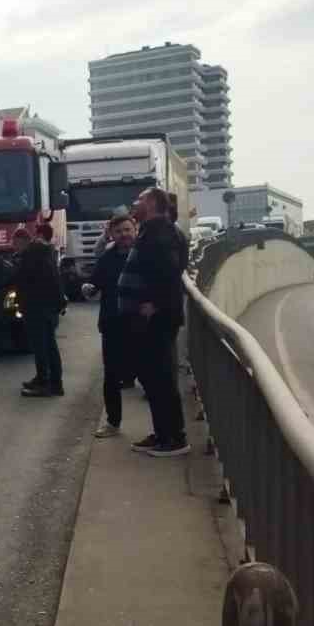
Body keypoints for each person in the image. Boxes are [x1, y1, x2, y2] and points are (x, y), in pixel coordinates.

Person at [117, 188, 189, 456]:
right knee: (152, 376)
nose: (135, 203)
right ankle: (162, 432)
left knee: (161, 378)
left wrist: (155, 303)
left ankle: (173, 438)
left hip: (156, 319)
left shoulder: (162, 233)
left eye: (141, 200)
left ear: (154, 205)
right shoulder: (152, 230)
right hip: (150, 317)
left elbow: (170, 273)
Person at [83, 214, 137, 436]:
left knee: (151, 377)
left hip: (140, 325)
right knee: (111, 376)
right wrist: (88, 288)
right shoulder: (107, 258)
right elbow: (95, 283)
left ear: (135, 230)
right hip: (112, 324)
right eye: (119, 231)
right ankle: (113, 423)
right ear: (111, 234)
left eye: (127, 230)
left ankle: (162, 431)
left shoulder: (144, 255)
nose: (124, 234)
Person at [11, 223, 66, 397]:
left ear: (22, 241)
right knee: (49, 345)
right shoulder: (43, 253)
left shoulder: (32, 255)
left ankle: (46, 383)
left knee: (42, 346)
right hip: (47, 306)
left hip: (37, 307)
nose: (14, 248)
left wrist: (12, 266)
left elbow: (24, 279)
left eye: (15, 244)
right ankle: (52, 381)